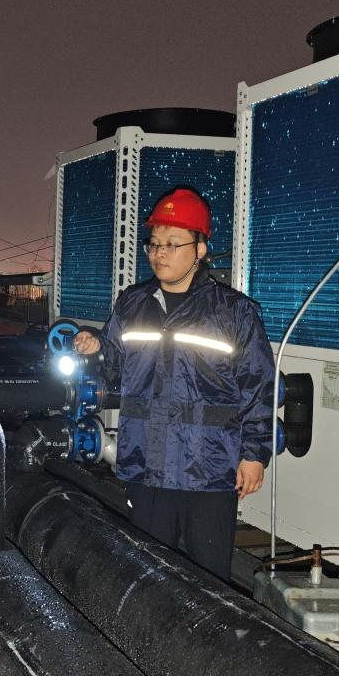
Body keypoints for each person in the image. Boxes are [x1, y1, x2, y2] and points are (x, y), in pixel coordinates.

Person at [73, 187, 274, 581]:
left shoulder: (233, 312)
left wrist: (254, 455)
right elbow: (113, 365)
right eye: (153, 243)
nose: (158, 253)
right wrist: (96, 349)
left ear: (200, 249)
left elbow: (259, 385)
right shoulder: (132, 304)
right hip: (146, 465)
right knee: (147, 576)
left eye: (172, 243)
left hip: (208, 469)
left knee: (209, 578)